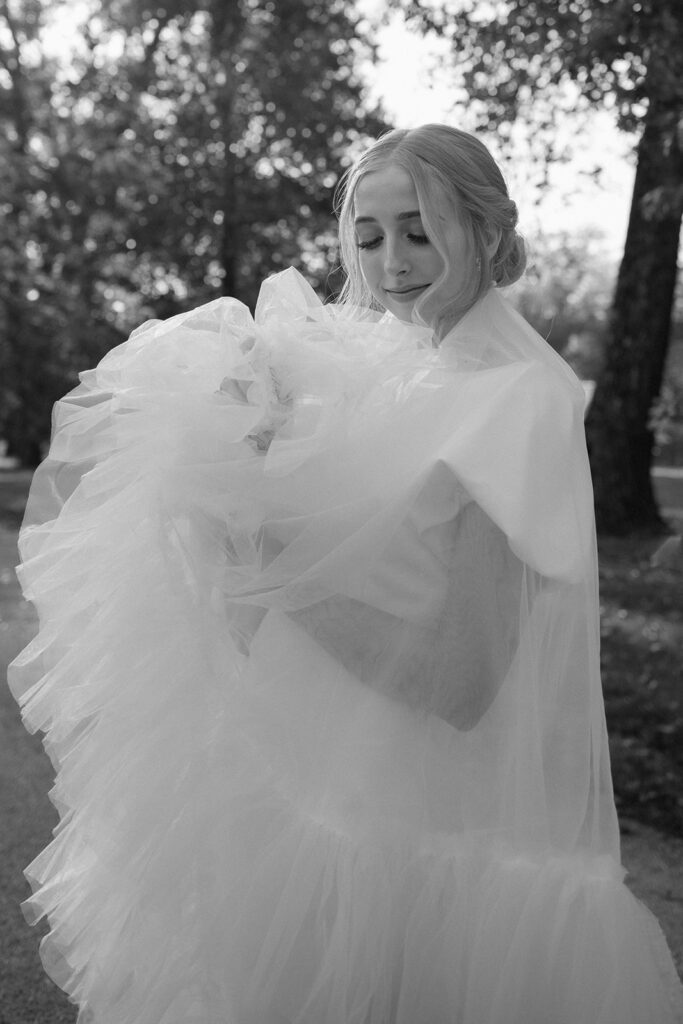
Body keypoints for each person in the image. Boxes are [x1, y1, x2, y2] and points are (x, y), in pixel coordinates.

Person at [9, 124, 683, 1024]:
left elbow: (462, 679)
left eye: (419, 229)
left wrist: (270, 564)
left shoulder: (515, 401)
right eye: (367, 236)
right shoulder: (398, 370)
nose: (391, 263)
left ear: (485, 229)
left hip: (428, 846)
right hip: (333, 808)